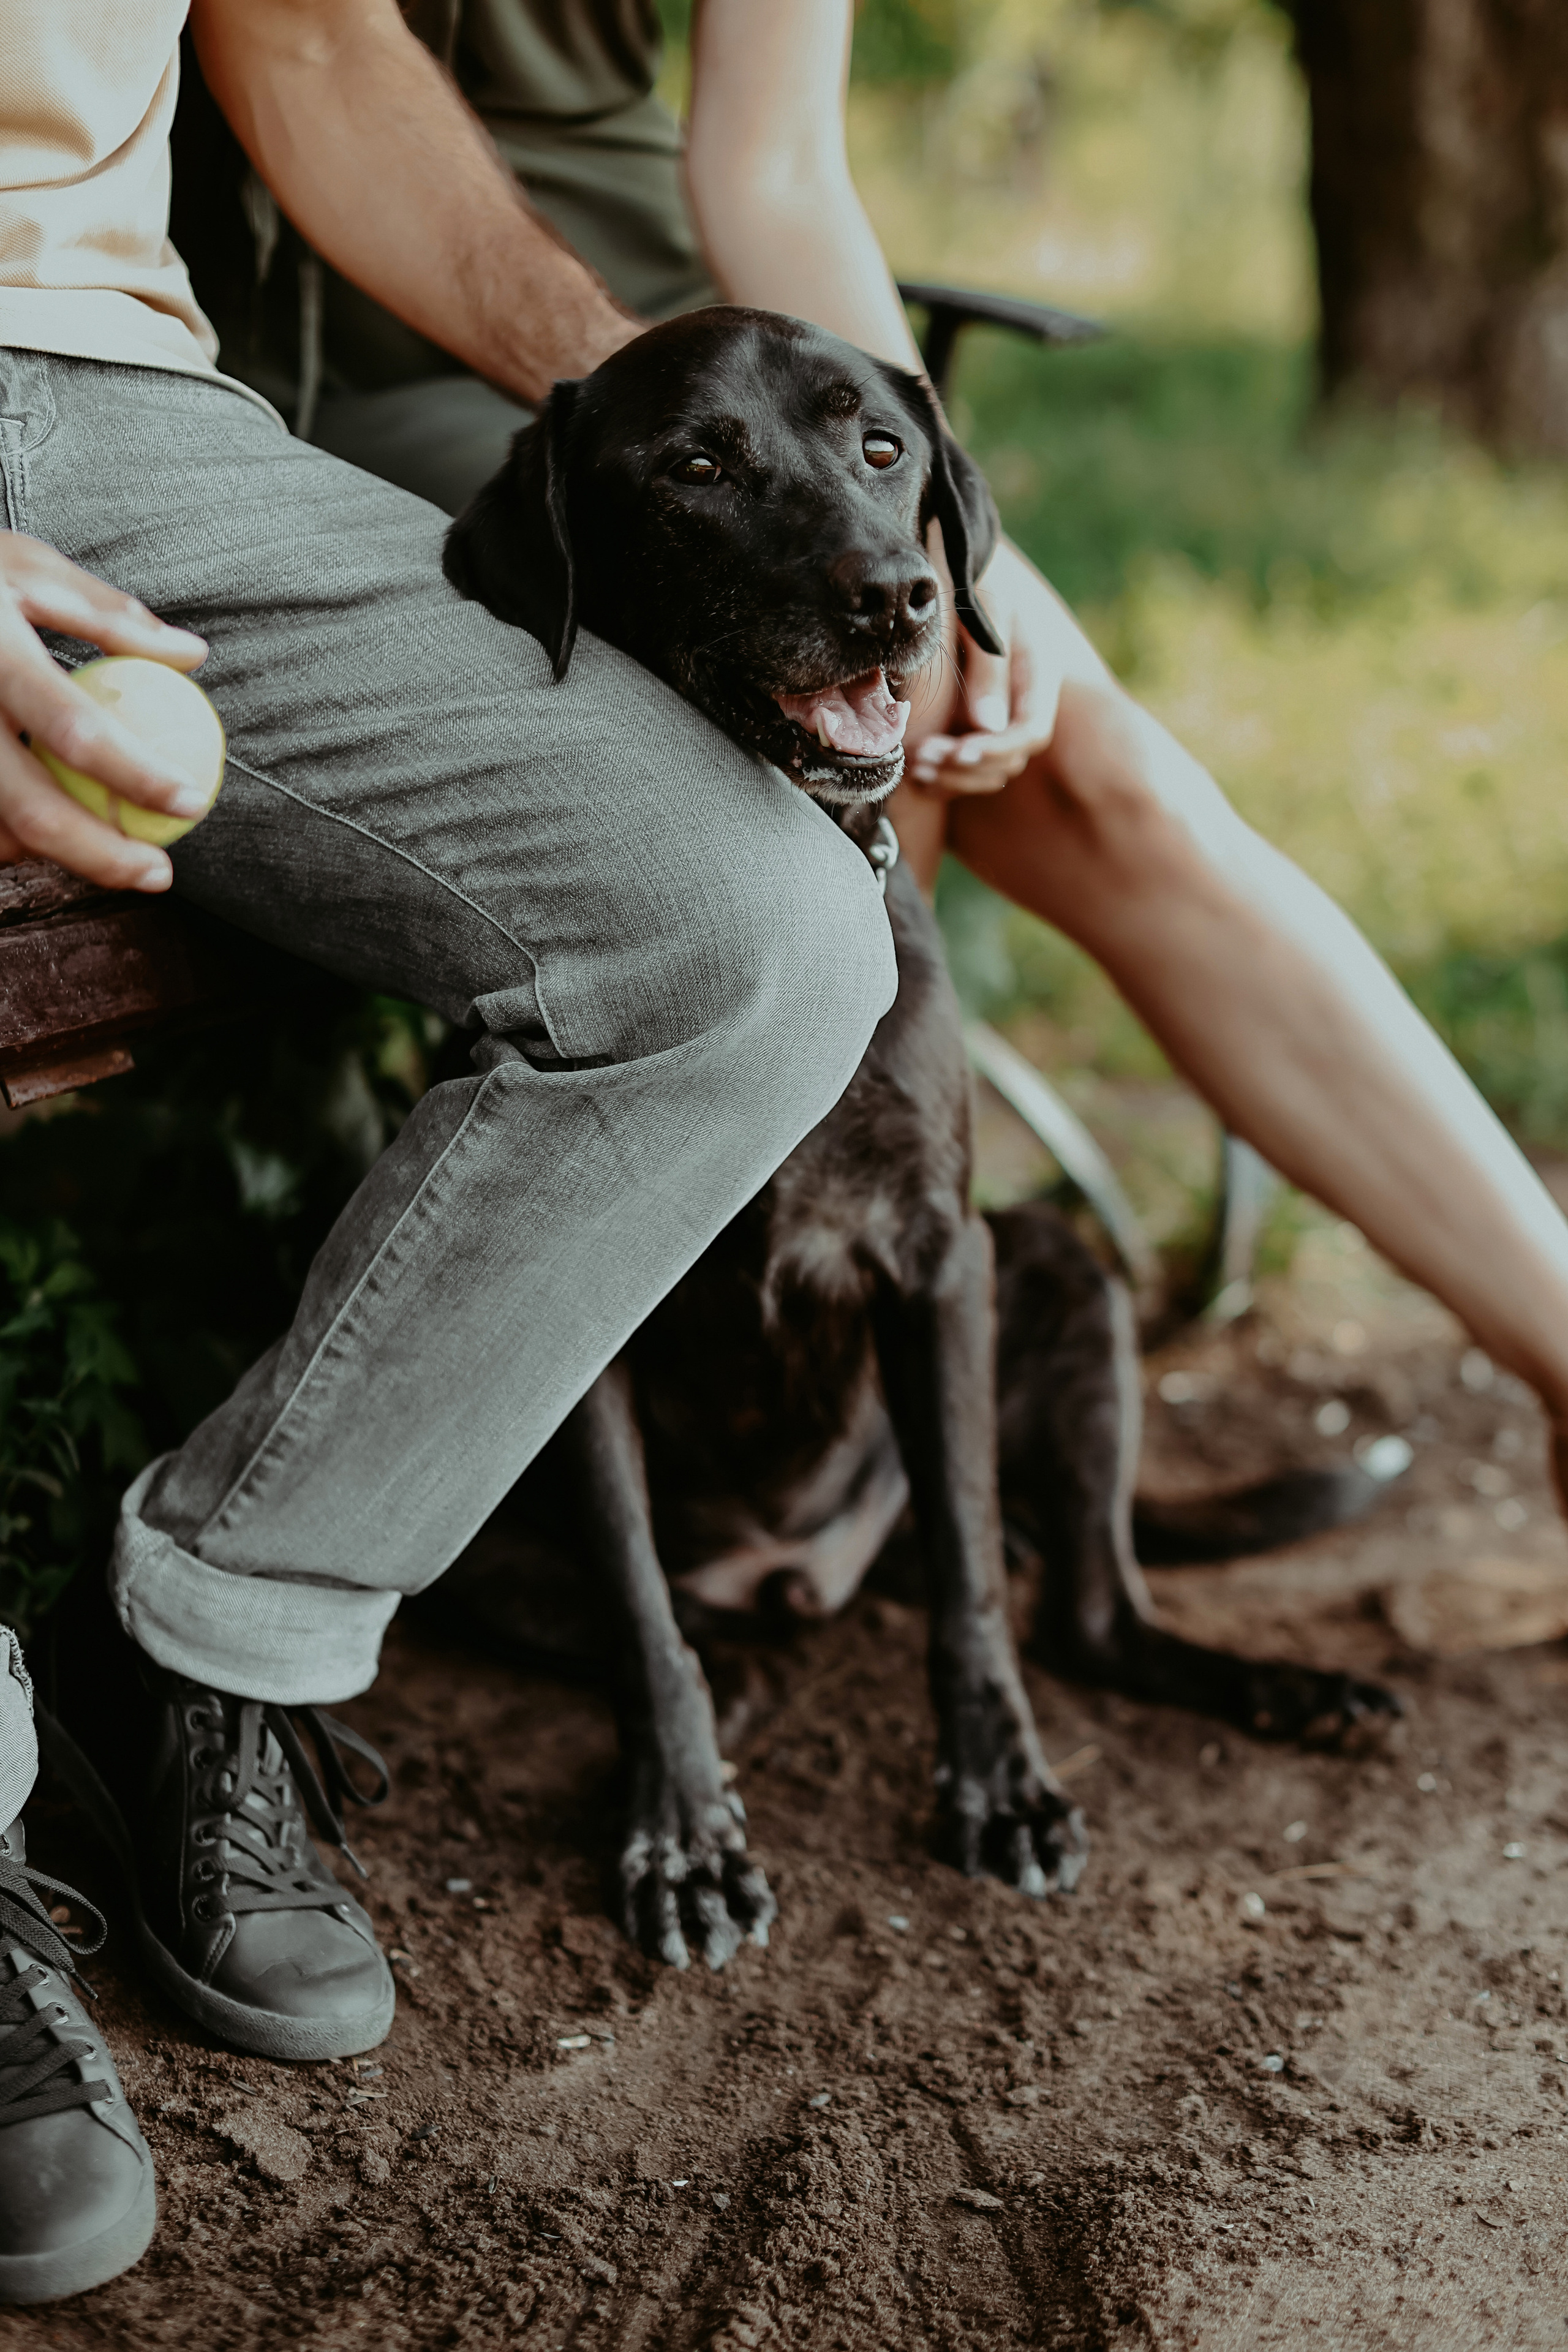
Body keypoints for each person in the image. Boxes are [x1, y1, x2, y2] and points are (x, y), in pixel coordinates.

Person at [2, 0, 1567, 2299]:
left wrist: (745, 431)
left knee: (798, 919)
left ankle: (208, 1646)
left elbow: (334, 53)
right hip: (357, 372)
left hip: (238, 375)